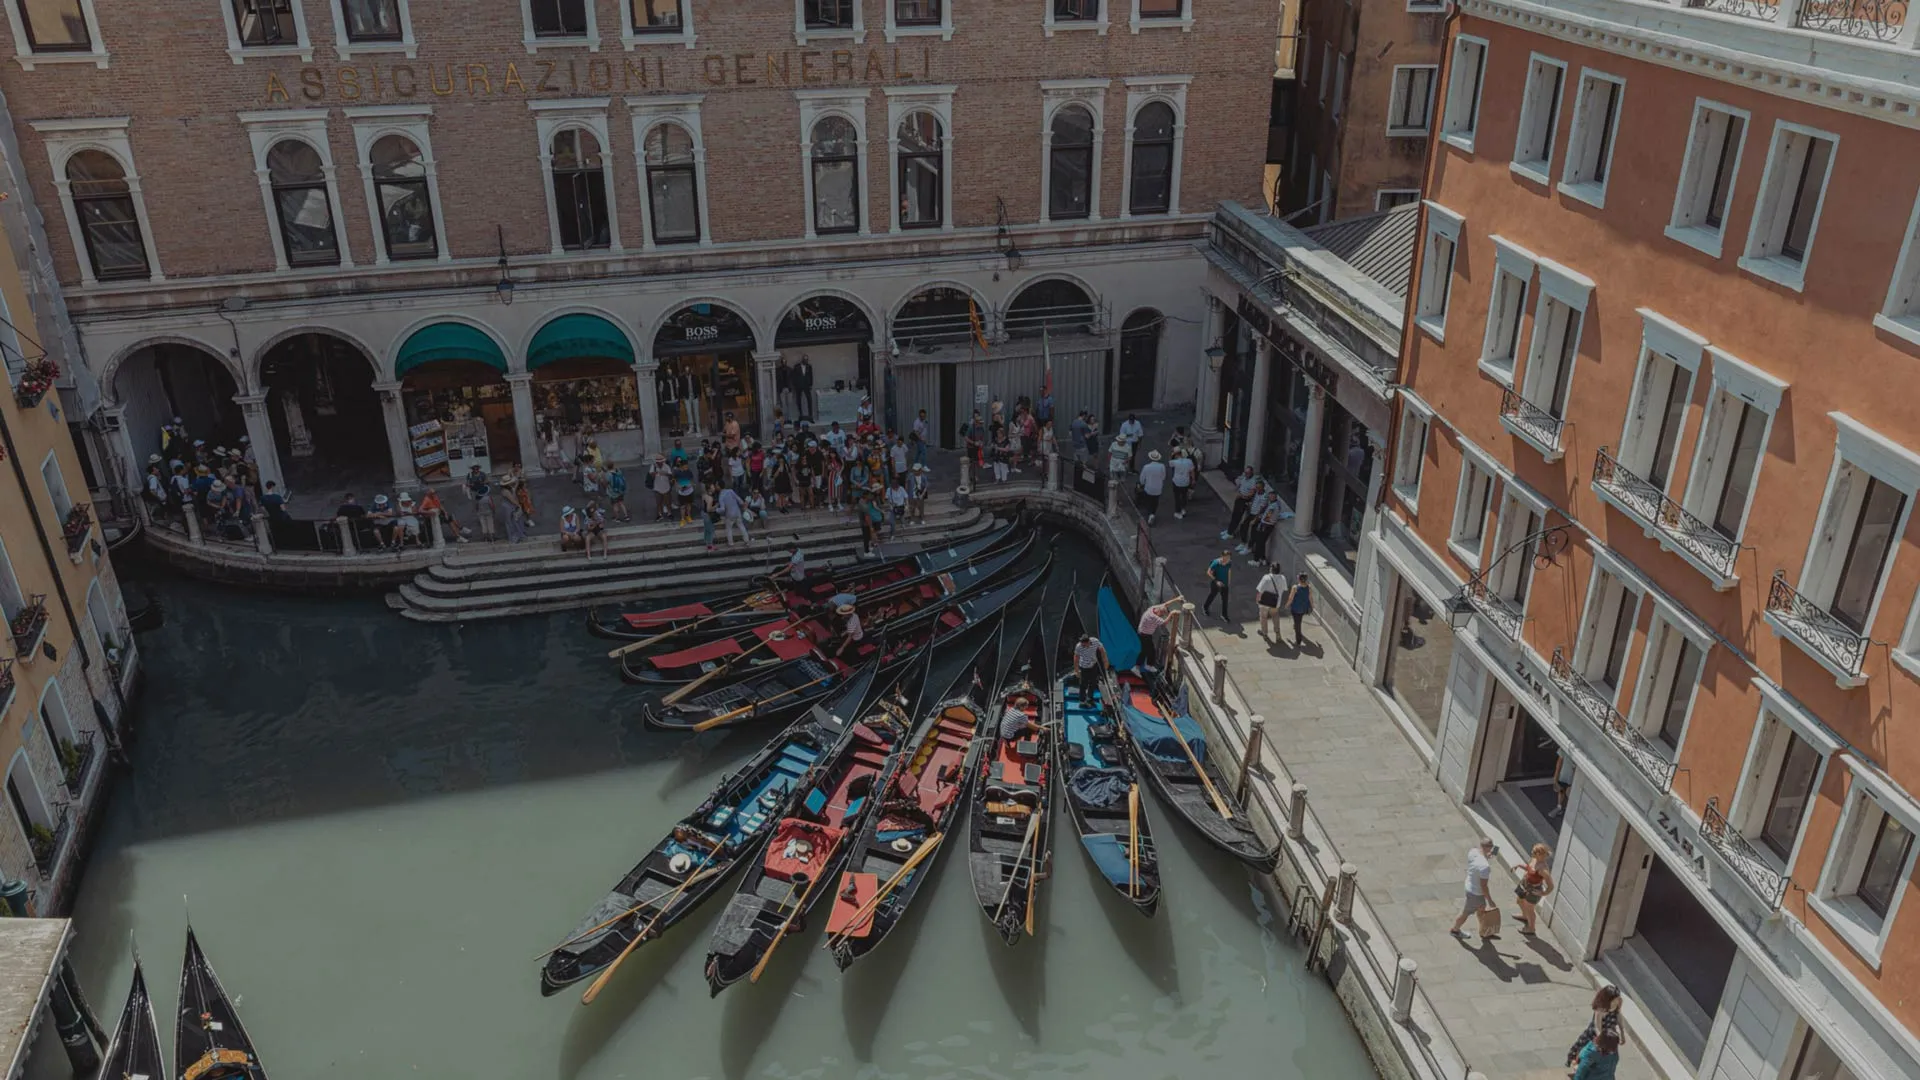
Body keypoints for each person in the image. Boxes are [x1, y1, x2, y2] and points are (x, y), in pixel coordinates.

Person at [1448, 838, 1498, 941]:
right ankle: (1455, 930)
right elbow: (1484, 886)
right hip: (1476, 892)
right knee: (1466, 912)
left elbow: (1477, 862)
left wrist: (1485, 857)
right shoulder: (1485, 867)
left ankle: (1484, 930)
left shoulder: (1473, 851)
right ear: (1489, 848)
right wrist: (1490, 901)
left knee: (1481, 909)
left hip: (1470, 885)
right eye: (1491, 846)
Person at [1567, 987, 1624, 1069]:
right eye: (1614, 1000)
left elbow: (1618, 1015)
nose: (1616, 1002)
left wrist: (1622, 1032)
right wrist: (1603, 1041)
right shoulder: (1601, 1008)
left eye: (1617, 1000)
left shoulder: (1618, 1003)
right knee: (1585, 1054)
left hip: (1609, 1035)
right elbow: (1597, 1027)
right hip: (1597, 1036)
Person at [1512, 843, 1555, 936]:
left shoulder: (1543, 869)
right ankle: (1524, 916)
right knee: (1519, 901)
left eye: (1534, 852)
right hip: (1525, 885)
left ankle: (1531, 928)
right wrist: (1518, 865)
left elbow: (1551, 886)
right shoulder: (1534, 859)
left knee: (1529, 909)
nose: (1532, 852)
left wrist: (1542, 893)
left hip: (1533, 890)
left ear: (1540, 854)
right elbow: (1528, 868)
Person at [1222, 467, 1258, 540]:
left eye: (1248, 473)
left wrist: (1242, 496)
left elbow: (1251, 494)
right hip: (1239, 497)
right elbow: (1239, 486)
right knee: (1234, 515)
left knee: (1237, 516)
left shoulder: (1253, 482)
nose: (1246, 474)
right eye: (1245, 473)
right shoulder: (1244, 478)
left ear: (1251, 473)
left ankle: (1231, 533)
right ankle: (1229, 530)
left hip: (1244, 500)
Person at [1136, 600, 1172, 671]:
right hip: (1144, 634)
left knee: (1149, 650)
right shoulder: (1154, 617)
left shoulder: (1152, 608)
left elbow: (1165, 604)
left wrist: (1177, 599)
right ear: (1160, 612)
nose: (1161, 616)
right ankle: (1141, 666)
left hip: (1143, 632)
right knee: (1148, 651)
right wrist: (1171, 614)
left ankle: (1146, 665)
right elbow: (1164, 623)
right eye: (1162, 615)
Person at [465, 465, 496, 541]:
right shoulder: (469, 475)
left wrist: (482, 482)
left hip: (483, 491)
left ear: (478, 468)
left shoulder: (483, 474)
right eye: (474, 468)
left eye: (477, 468)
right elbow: (467, 484)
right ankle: (487, 536)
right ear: (472, 469)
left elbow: (487, 481)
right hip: (475, 493)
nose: (475, 469)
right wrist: (471, 485)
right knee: (480, 508)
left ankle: (489, 536)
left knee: (484, 506)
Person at [1255, 562, 1285, 640]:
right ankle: (1277, 633)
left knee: (1263, 617)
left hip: (1264, 603)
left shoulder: (1266, 577)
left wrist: (1257, 599)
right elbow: (1284, 589)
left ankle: (1264, 633)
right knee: (1275, 616)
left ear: (1271, 569)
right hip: (1275, 602)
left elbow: (1260, 591)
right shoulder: (1282, 578)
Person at [1201, 550, 1232, 621]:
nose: (1227, 559)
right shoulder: (1216, 563)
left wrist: (1229, 581)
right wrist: (1216, 581)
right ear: (1222, 556)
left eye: (1229, 558)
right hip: (1216, 583)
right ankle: (1205, 607)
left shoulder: (1229, 563)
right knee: (1212, 595)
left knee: (1225, 599)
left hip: (1225, 584)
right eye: (1226, 557)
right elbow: (1208, 572)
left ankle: (1224, 615)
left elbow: (1229, 571)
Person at [1137, 450, 1167, 524]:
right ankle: (1152, 513)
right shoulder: (1162, 466)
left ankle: (1150, 513)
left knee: (1148, 500)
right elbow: (1163, 477)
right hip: (1158, 488)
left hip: (1148, 487)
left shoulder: (1146, 467)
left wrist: (1142, 483)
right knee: (1155, 501)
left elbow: (1142, 479)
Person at [1072, 632, 1107, 697]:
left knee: (1093, 682)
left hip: (1093, 665)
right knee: (1083, 684)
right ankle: (1082, 700)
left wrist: (1105, 661)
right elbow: (1076, 658)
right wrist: (1076, 670)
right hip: (1084, 667)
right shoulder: (1079, 646)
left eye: (1083, 643)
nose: (1082, 644)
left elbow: (1102, 650)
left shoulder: (1095, 641)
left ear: (1087, 642)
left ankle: (1090, 699)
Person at [1285, 572, 1313, 646]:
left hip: (1295, 609)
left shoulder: (1295, 588)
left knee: (1298, 624)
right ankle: (1296, 626)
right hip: (1304, 608)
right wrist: (1312, 606)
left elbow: (1290, 598)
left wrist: (1287, 605)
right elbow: (1310, 598)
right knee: (1298, 620)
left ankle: (1298, 641)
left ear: (1299, 579)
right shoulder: (1309, 587)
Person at [1169, 448, 1195, 520]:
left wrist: (1171, 455)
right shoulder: (1189, 461)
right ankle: (1183, 509)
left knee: (1177, 497)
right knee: (1184, 495)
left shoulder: (1175, 462)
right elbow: (1192, 471)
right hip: (1186, 481)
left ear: (1176, 454)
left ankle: (1178, 512)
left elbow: (1169, 463)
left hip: (1177, 481)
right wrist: (1193, 479)